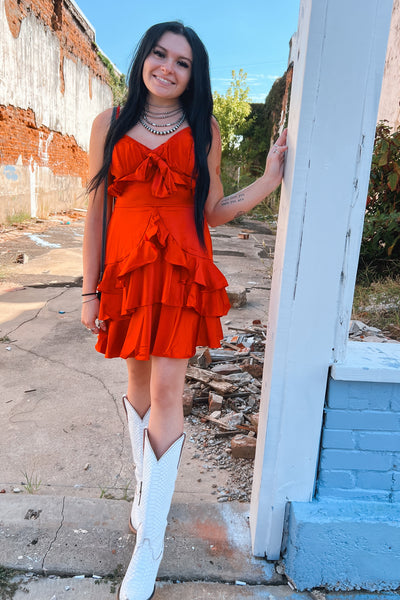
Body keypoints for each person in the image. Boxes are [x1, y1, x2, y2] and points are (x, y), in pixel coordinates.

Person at [81, 20, 287, 600]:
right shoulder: (109, 123)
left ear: (194, 75)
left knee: (169, 393)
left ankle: (149, 548)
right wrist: (88, 290)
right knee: (137, 383)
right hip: (125, 272)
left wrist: (269, 180)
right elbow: (95, 214)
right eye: (160, 54)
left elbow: (213, 210)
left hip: (179, 271)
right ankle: (146, 501)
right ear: (144, 58)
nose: (168, 67)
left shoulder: (205, 129)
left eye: (182, 62)